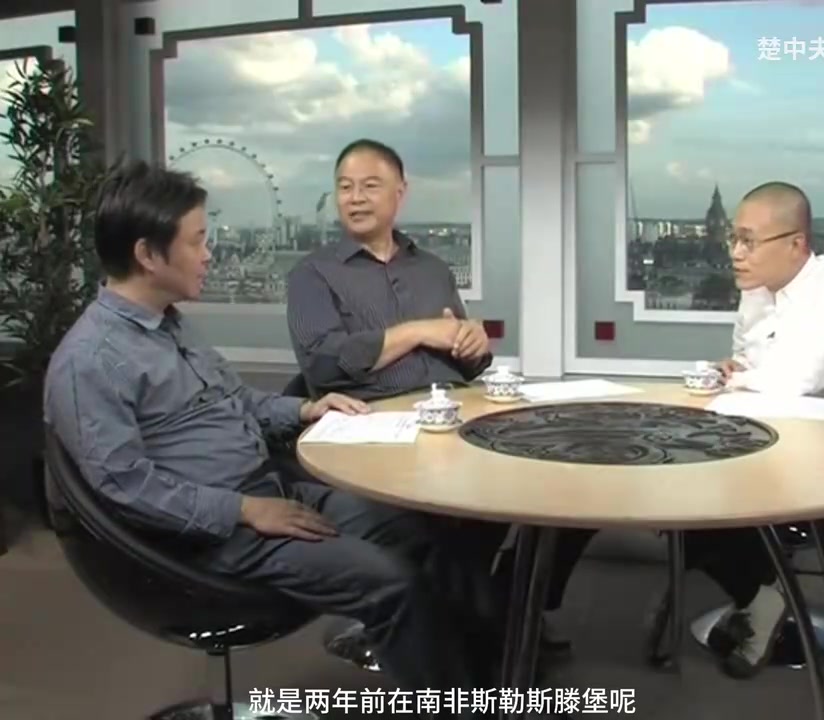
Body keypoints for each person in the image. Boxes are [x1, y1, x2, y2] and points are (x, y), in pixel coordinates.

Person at [43, 160, 503, 702]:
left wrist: (307, 410)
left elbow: (236, 402)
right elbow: (124, 486)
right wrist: (244, 510)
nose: (210, 254)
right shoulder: (91, 360)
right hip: (214, 537)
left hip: (269, 491)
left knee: (427, 531)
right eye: (198, 240)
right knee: (392, 585)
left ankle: (487, 683)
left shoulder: (169, 324)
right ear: (148, 254)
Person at [286, 138, 596, 655]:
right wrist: (415, 332)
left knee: (563, 482)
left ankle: (506, 607)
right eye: (345, 187)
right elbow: (322, 363)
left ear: (400, 193)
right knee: (454, 516)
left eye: (369, 186)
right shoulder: (312, 275)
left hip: (457, 417)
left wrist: (474, 344)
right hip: (374, 429)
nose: (355, 198)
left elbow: (464, 359)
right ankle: (493, 634)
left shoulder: (431, 269)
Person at [647, 181, 824, 679]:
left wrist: (742, 377)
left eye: (748, 241)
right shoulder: (755, 292)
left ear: (796, 244)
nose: (735, 253)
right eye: (734, 238)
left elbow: (799, 380)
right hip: (762, 443)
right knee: (667, 487)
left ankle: (761, 600)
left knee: (698, 500)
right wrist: (737, 371)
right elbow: (749, 367)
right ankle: (762, 599)